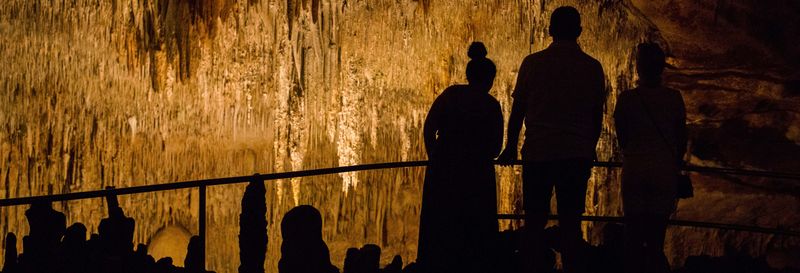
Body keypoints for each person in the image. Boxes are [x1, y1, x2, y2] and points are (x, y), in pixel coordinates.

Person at [497, 6, 606, 273]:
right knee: (571, 221)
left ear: (550, 31)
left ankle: (530, 267)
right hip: (575, 154)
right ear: (579, 31)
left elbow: (519, 111)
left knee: (534, 220)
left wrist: (510, 146)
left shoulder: (533, 63)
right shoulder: (592, 67)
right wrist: (589, 146)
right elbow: (596, 116)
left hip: (539, 152)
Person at [417, 41, 503, 273]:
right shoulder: (491, 105)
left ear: (468, 75)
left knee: (441, 227)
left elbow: (428, 127)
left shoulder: (451, 95)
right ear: (490, 79)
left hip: (444, 170)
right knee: (474, 231)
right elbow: (496, 148)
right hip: (477, 175)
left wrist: (434, 154)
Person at [613, 42, 687, 273]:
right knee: (656, 237)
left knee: (633, 233)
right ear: (662, 68)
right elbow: (680, 135)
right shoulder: (674, 98)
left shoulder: (627, 99)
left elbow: (622, 135)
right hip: (663, 169)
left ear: (638, 67)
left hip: (635, 167)